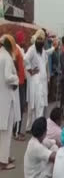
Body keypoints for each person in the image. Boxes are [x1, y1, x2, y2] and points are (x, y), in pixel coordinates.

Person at [24, 29, 57, 132]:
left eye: (42, 39)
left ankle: (34, 127)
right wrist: (30, 70)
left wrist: (53, 48)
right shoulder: (32, 49)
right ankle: (37, 130)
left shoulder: (42, 51)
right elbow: (25, 59)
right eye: (38, 39)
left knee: (40, 106)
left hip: (42, 83)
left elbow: (47, 53)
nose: (40, 41)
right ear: (35, 39)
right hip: (36, 83)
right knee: (38, 106)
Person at [0, 35, 19, 170]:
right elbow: (7, 77)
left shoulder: (1, 55)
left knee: (3, 131)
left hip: (3, 98)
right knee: (6, 132)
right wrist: (16, 78)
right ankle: (3, 162)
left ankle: (4, 156)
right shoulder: (6, 57)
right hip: (6, 100)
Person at [13, 31, 27, 141]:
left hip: (22, 81)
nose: (25, 41)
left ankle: (15, 130)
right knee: (20, 107)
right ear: (19, 39)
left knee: (20, 107)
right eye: (23, 39)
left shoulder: (19, 49)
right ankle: (16, 132)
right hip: (19, 82)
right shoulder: (17, 50)